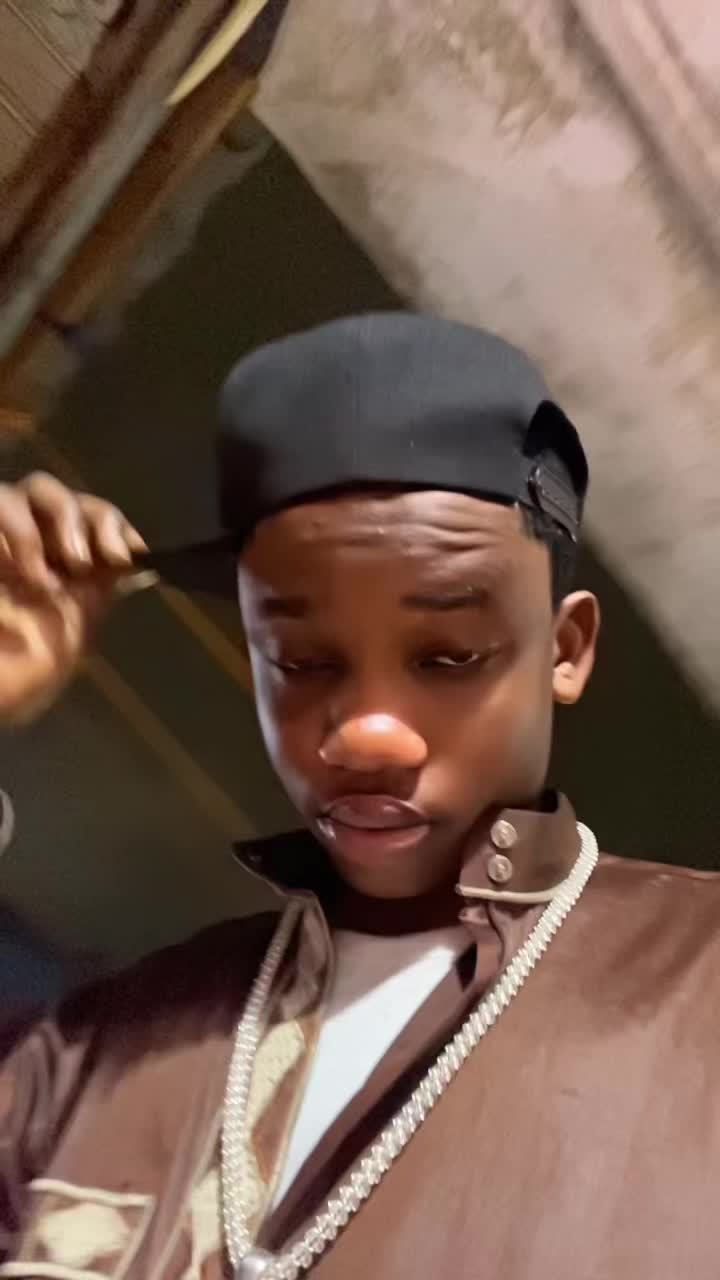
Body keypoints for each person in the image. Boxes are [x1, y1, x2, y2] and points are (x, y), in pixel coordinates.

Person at [0, 312, 718, 1280]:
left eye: (448, 656)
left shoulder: (698, 989)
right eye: (300, 659)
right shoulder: (101, 1050)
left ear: (566, 648)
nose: (365, 734)